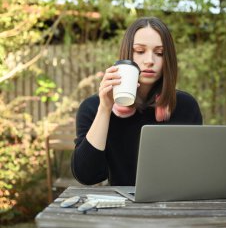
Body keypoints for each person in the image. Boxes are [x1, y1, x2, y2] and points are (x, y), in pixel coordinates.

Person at [71, 17, 203, 186]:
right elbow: (87, 175)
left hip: (174, 206)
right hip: (122, 207)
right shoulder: (92, 108)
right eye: (140, 51)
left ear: (168, 60)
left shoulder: (185, 106)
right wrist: (105, 109)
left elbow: (195, 170)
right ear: (127, 54)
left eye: (160, 53)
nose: (149, 60)